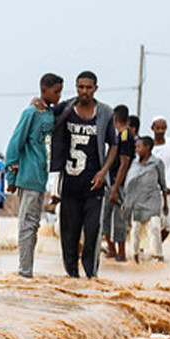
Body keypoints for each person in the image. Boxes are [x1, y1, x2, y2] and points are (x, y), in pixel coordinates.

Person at [50, 71, 119, 278]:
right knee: (69, 234)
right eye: (80, 87)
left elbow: (113, 145)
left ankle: (91, 275)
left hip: (93, 185)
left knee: (92, 232)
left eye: (88, 87)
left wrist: (103, 172)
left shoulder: (105, 112)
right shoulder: (67, 109)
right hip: (70, 183)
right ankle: (71, 276)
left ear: (95, 88)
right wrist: (36, 102)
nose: (84, 91)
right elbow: (46, 113)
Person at [5, 73, 63, 278]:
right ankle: (24, 272)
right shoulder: (30, 113)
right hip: (28, 177)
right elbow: (14, 144)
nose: (58, 95)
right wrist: (10, 178)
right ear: (44, 90)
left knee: (34, 224)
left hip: (40, 178)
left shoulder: (48, 113)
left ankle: (27, 270)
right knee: (27, 224)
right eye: (55, 92)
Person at [123, 136, 167, 263]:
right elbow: (129, 184)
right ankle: (135, 255)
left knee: (154, 227)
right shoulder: (134, 163)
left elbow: (163, 184)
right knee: (135, 228)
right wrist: (126, 201)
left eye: (138, 147)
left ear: (147, 148)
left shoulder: (157, 163)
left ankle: (157, 255)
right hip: (136, 201)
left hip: (152, 199)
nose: (136, 150)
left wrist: (165, 205)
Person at [103, 105, 135, 262]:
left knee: (118, 219)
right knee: (106, 217)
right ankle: (112, 250)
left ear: (115, 118)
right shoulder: (120, 135)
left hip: (119, 183)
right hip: (112, 182)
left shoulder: (125, 136)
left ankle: (120, 253)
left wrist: (115, 188)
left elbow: (124, 164)